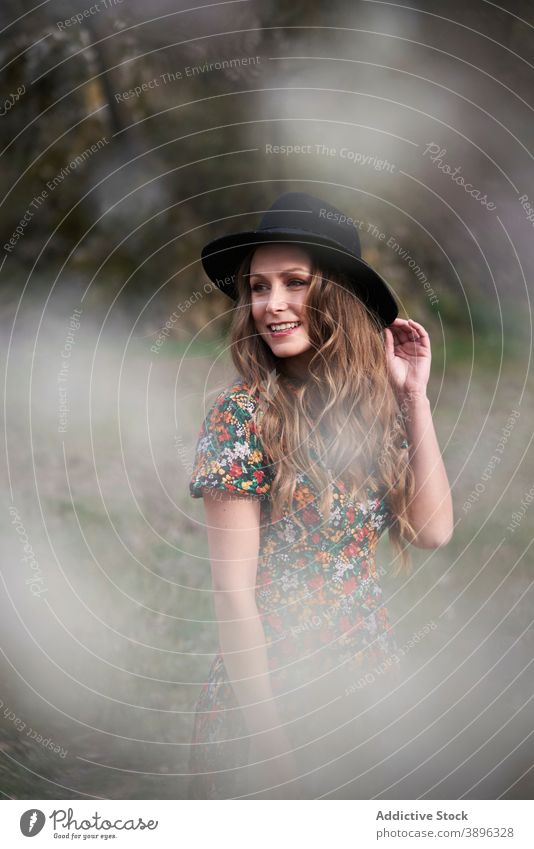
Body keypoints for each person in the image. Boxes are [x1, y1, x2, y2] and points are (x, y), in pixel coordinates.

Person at [186, 192, 453, 799]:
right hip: (273, 698)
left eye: (294, 283)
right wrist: (275, 748)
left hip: (368, 685)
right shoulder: (241, 417)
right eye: (258, 286)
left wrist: (413, 401)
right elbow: (233, 598)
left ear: (336, 295)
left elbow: (433, 532)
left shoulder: (377, 412)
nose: (270, 304)